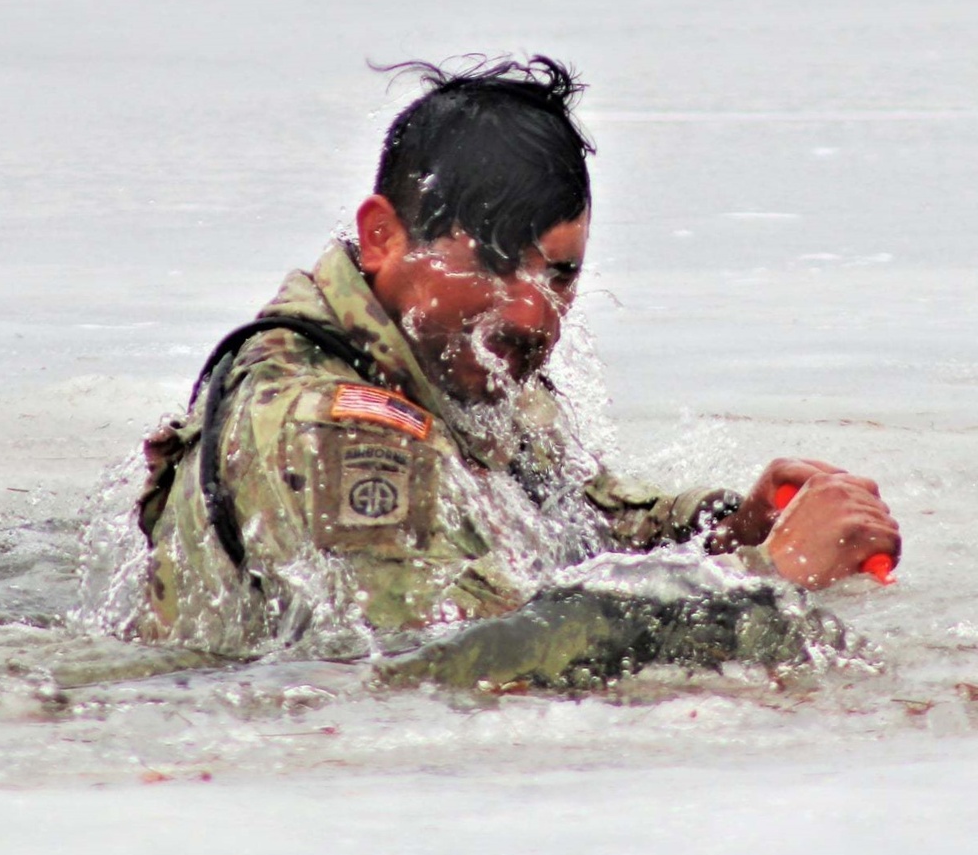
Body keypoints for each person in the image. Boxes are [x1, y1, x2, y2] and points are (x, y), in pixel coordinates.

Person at [134, 56, 900, 680]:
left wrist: (725, 530)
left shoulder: (460, 362)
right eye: (494, 263)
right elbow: (453, 660)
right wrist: (767, 580)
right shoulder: (322, 427)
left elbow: (572, 529)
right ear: (382, 239)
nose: (535, 315)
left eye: (560, 273)